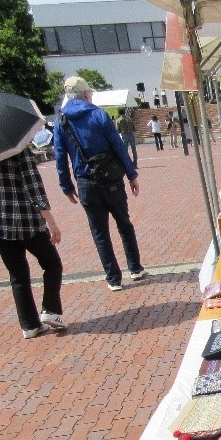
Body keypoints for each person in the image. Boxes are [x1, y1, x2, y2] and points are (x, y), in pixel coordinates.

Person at [54, 76, 146, 292]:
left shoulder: (61, 121)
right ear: (86, 94)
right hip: (111, 179)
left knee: (100, 233)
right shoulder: (98, 115)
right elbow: (118, 146)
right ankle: (135, 268)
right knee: (124, 224)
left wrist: (66, 185)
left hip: (85, 183)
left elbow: (60, 156)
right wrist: (131, 174)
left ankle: (113, 278)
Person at [0, 149, 66, 339]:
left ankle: (29, 325)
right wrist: (51, 222)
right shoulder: (17, 150)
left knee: (18, 275)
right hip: (26, 220)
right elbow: (33, 187)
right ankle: (51, 310)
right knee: (52, 263)